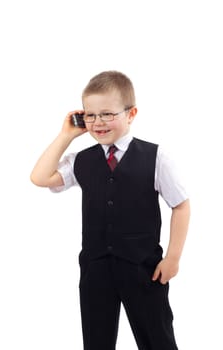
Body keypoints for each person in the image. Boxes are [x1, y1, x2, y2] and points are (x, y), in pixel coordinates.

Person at [30, 70, 190, 350]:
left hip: (144, 268)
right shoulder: (82, 159)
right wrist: (66, 135)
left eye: (107, 114)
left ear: (131, 113)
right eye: (90, 115)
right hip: (95, 268)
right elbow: (40, 177)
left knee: (157, 337)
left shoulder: (156, 157)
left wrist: (173, 258)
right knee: (97, 340)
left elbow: (181, 204)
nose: (98, 122)